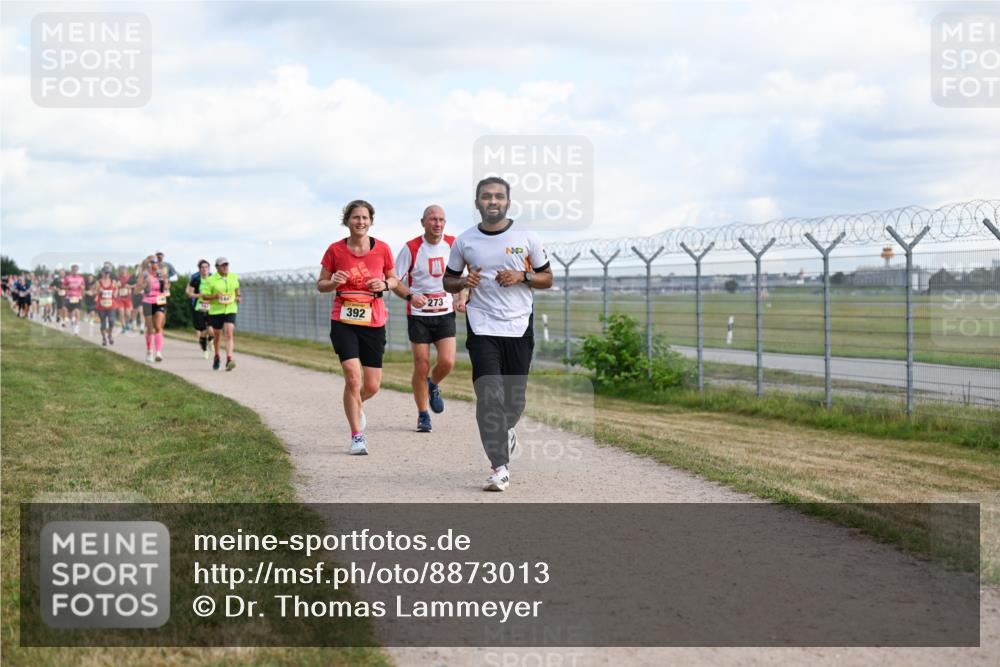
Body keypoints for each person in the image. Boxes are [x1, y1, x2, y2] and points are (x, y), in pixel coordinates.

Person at [443, 177, 553, 491]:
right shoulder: (465, 241)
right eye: (487, 197)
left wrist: (523, 276)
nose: (493, 201)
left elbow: (547, 278)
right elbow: (448, 282)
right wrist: (464, 282)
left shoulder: (526, 236)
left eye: (499, 197)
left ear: (507, 202)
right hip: (482, 326)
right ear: (477, 203)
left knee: (513, 403)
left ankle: (505, 430)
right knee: (488, 397)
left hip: (519, 326)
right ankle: (499, 467)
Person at [316, 199, 400, 456]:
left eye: (364, 218)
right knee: (353, 378)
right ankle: (357, 436)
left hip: (373, 319)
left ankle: (356, 406)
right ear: (347, 221)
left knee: (372, 385)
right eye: (355, 218)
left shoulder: (382, 249)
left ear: (371, 221)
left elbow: (395, 279)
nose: (360, 222)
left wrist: (384, 285)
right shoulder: (335, 250)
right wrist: (333, 282)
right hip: (343, 319)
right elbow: (320, 284)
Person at [391, 205, 466, 433]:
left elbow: (462, 275)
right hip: (419, 316)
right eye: (432, 219)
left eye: (441, 219)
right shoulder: (411, 248)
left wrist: (461, 297)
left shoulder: (454, 244)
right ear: (422, 222)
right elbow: (394, 280)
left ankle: (433, 385)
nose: (437, 223)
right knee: (421, 365)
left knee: (447, 362)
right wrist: (411, 296)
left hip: (444, 312)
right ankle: (423, 415)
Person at [199, 257, 240, 371]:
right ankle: (217, 356)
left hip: (230, 309)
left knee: (229, 333)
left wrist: (238, 296)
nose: (225, 267)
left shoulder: (233, 276)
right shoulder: (211, 280)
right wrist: (215, 296)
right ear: (217, 267)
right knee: (217, 336)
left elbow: (237, 288)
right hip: (216, 311)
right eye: (222, 265)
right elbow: (205, 296)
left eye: (227, 265)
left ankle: (229, 359)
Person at [135, 257, 169, 362]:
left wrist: (165, 284)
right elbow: (137, 290)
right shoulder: (144, 275)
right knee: (150, 328)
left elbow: (167, 287)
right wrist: (145, 284)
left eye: (156, 262)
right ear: (148, 264)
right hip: (148, 302)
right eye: (153, 262)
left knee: (158, 326)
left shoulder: (161, 274)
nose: (155, 264)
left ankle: (158, 352)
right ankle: (149, 351)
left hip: (159, 301)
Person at [186, 259, 214, 359]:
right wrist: (200, 295)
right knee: (202, 332)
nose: (204, 269)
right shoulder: (196, 279)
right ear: (199, 269)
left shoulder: (213, 278)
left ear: (209, 268)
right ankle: (205, 350)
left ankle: (211, 339)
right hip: (199, 307)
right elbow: (190, 294)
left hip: (211, 307)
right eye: (202, 267)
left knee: (212, 329)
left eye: (206, 267)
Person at [92, 265, 119, 346]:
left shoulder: (113, 282)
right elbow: (93, 292)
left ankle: (109, 335)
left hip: (111, 305)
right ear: (102, 273)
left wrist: (115, 294)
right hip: (101, 306)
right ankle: (104, 338)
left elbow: (117, 290)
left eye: (108, 273)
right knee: (103, 323)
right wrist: (98, 291)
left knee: (111, 321)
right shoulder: (98, 282)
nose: (107, 274)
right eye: (105, 273)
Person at [62, 264, 86, 335]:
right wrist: (68, 286)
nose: (75, 271)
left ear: (77, 270)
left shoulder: (81, 278)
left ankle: (76, 329)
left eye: (76, 270)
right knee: (67, 310)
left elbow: (83, 286)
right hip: (69, 297)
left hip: (78, 297)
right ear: (71, 270)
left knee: (77, 311)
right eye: (73, 269)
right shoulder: (67, 278)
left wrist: (82, 287)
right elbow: (63, 286)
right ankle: (71, 319)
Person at [116, 265, 133, 333]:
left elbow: (136, 285)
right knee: (121, 313)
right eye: (121, 271)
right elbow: (114, 286)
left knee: (128, 314)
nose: (123, 272)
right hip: (120, 298)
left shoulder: (130, 277)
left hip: (128, 298)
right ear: (120, 271)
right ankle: (123, 327)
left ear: (126, 270)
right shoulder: (118, 278)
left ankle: (127, 324)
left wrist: (129, 286)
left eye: (124, 270)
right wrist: (117, 285)